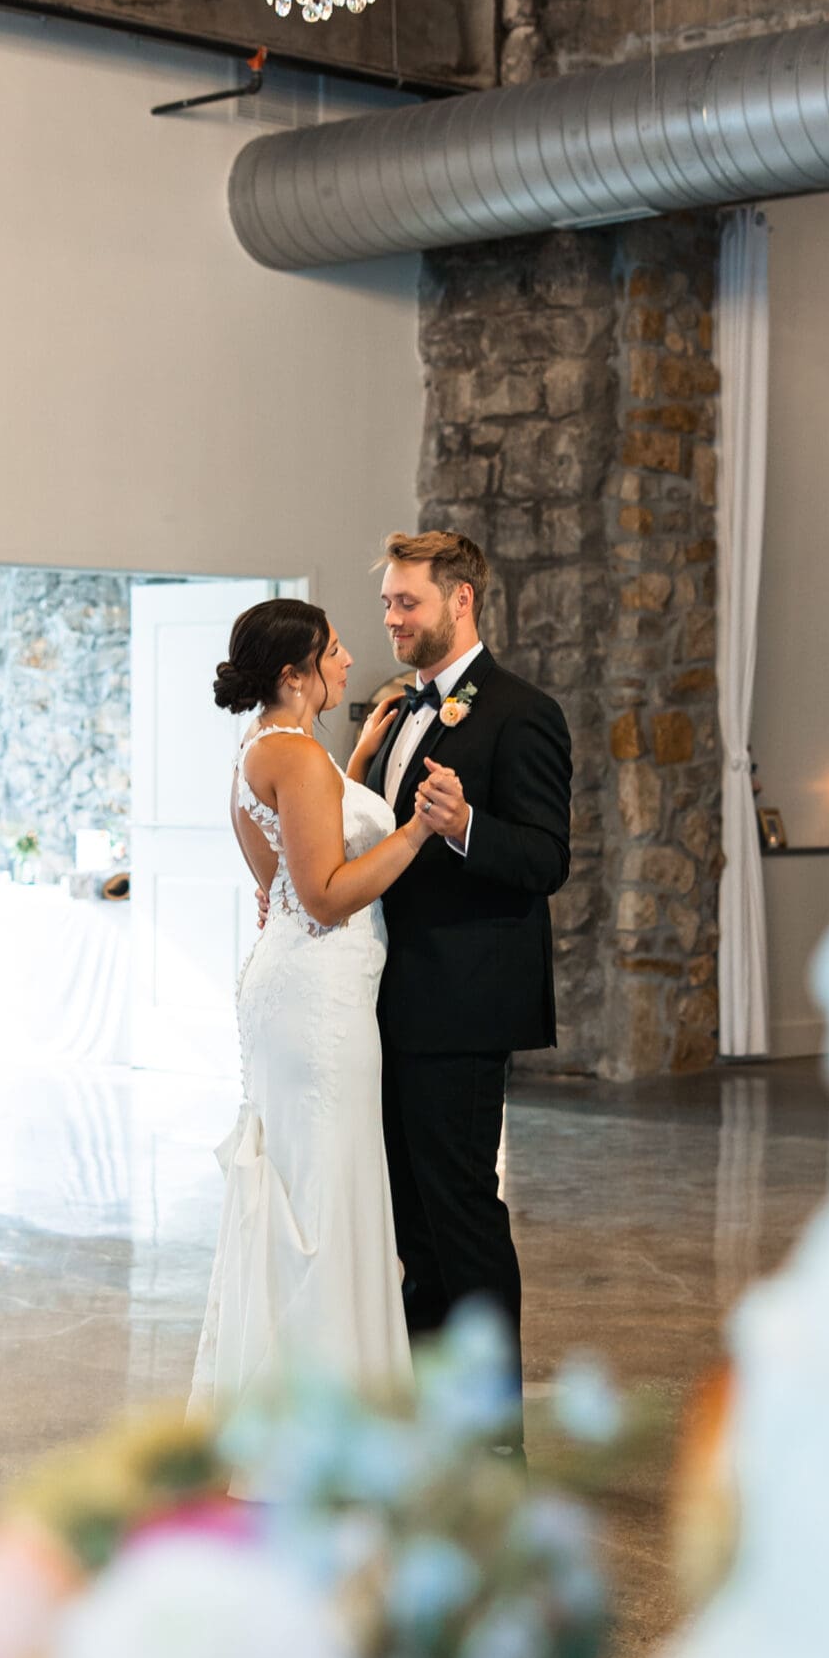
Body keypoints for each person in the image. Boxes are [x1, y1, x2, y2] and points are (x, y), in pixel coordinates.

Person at [189, 598, 445, 1418]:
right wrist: (415, 832)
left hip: (298, 990)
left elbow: (294, 868)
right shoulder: (296, 757)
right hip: (321, 1004)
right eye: (334, 652)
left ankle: (300, 1408)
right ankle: (328, 1424)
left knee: (310, 1186)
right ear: (296, 673)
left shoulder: (270, 747)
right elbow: (326, 895)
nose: (348, 662)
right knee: (327, 1193)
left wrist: (358, 760)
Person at [364, 530, 572, 1425]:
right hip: (387, 1001)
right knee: (411, 1224)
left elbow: (547, 858)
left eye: (407, 602)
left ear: (461, 601)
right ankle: (431, 1422)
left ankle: (490, 1436)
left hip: (461, 1005)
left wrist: (465, 827)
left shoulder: (522, 712)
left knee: (463, 1216)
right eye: (386, 603)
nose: (392, 619)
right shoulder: (398, 709)